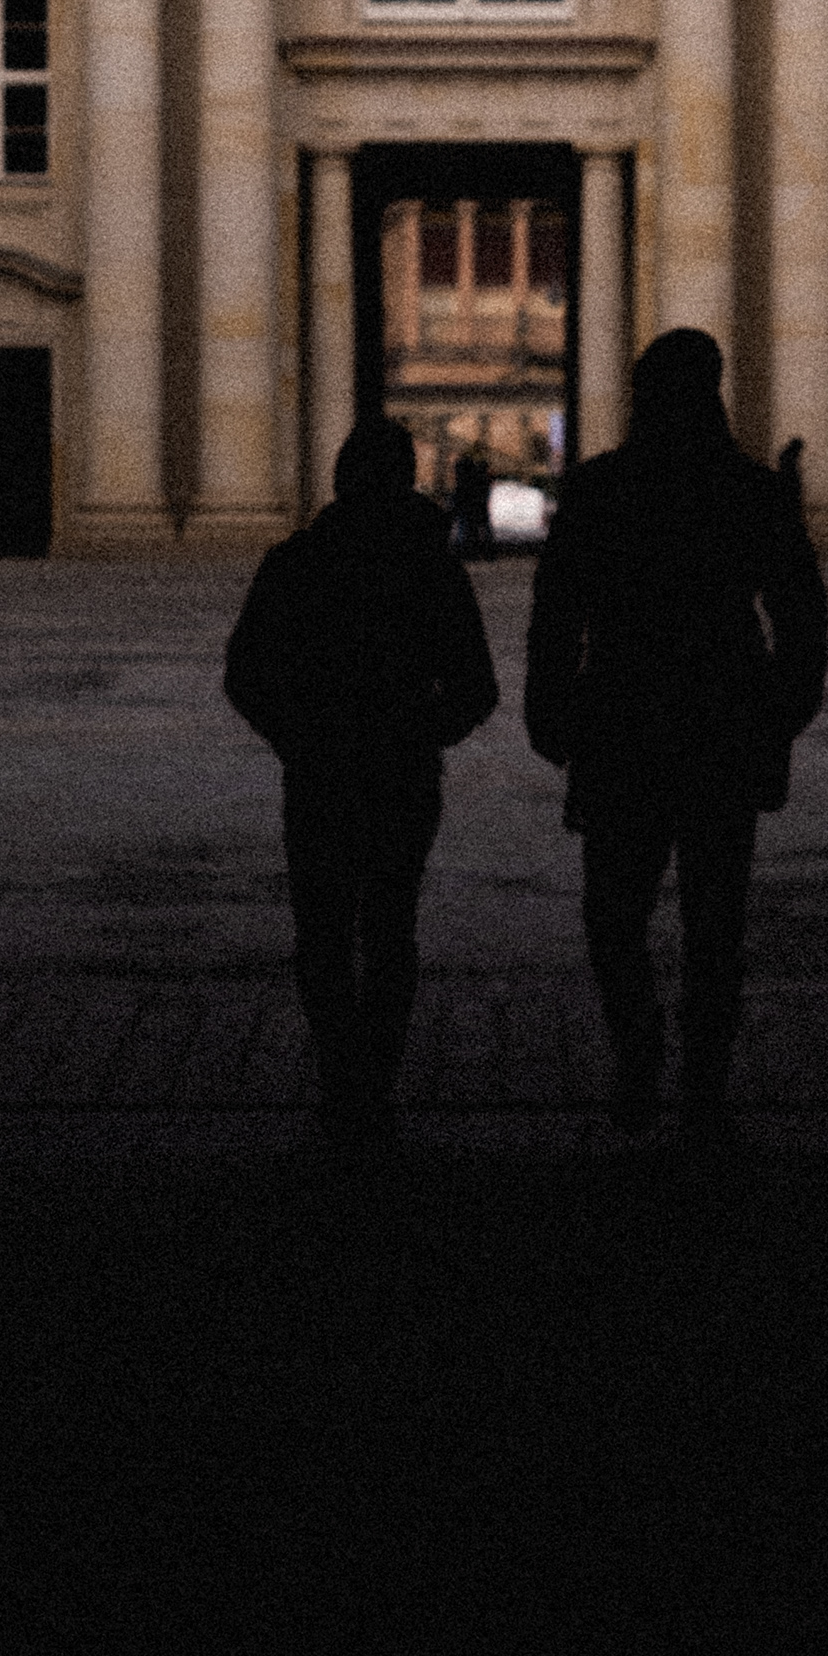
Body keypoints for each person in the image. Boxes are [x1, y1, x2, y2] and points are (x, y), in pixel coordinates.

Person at [523, 325, 828, 1149]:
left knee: (613, 917)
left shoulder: (601, 488)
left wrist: (550, 709)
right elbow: (802, 614)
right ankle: (700, 1083)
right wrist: (782, 708)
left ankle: (641, 1052)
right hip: (721, 725)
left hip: (624, 722)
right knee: (714, 924)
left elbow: (558, 612)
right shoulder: (751, 491)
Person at [223, 413, 499, 1149]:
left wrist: (296, 738)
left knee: (321, 934)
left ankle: (340, 1081)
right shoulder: (432, 571)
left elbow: (245, 672)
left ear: (341, 479)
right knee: (389, 930)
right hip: (402, 777)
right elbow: (477, 686)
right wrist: (422, 735)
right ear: (407, 481)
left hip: (319, 775)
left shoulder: (297, 563)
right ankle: (374, 1082)